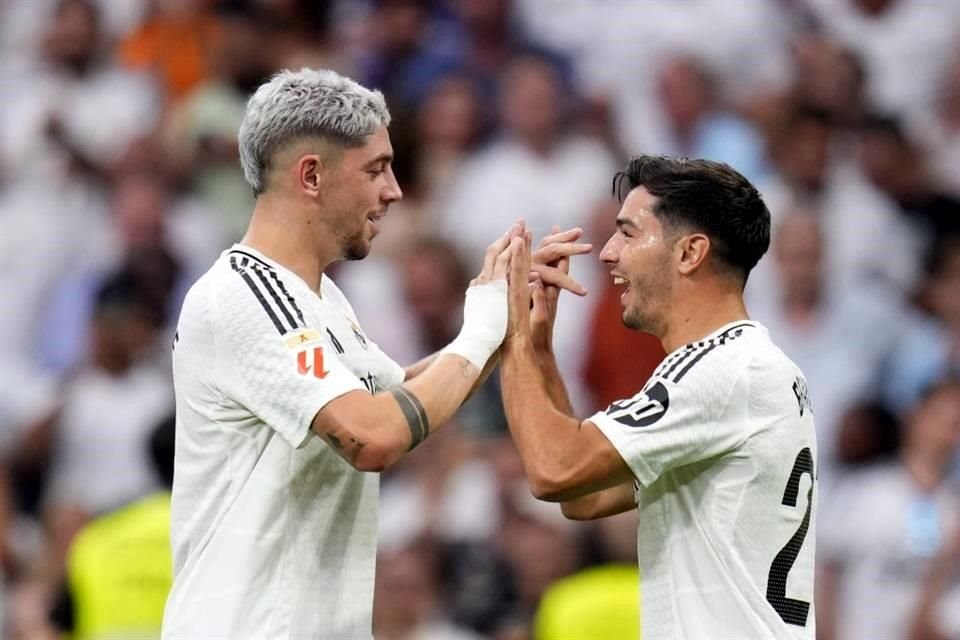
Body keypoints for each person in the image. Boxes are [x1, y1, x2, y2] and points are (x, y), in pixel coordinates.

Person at [161, 68, 588, 639]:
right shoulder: (243, 293)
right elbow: (373, 435)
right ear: (311, 175)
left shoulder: (322, 298)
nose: (394, 190)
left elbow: (400, 400)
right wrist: (477, 336)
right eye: (375, 169)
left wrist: (499, 316)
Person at [500, 155, 818, 638]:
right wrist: (540, 349)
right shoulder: (749, 367)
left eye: (628, 233)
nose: (607, 253)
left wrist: (510, 335)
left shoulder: (720, 370)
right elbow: (582, 497)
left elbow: (553, 471)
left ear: (690, 253)